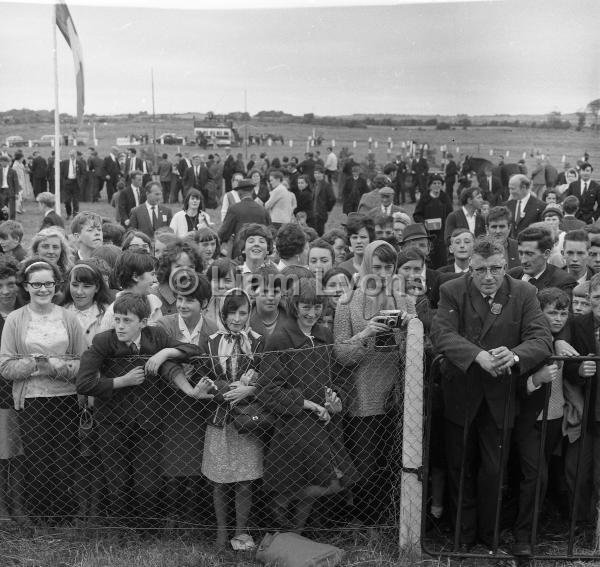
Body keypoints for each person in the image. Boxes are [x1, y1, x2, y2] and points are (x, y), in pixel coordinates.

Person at [431, 238, 552, 550]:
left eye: (496, 268)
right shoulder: (452, 290)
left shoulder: (524, 293)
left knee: (494, 472)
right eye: (481, 270)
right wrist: (477, 356)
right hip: (462, 394)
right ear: (470, 269)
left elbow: (541, 338)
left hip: (502, 396)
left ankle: (489, 537)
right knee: (461, 469)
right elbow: (442, 333)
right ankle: (462, 538)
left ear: (505, 264)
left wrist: (512, 356)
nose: (489, 276)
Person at [76, 293, 202, 526]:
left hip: (148, 422)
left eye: (127, 321)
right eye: (118, 320)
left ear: (143, 323)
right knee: (117, 480)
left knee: (148, 484)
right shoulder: (104, 341)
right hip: (112, 422)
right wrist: (120, 381)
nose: (120, 326)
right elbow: (83, 383)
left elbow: (193, 349)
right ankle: (120, 530)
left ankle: (145, 529)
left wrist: (165, 353)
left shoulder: (156, 336)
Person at [258, 277, 356, 533]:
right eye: (305, 307)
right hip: (295, 427)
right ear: (294, 305)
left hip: (327, 424)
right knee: (323, 480)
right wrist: (309, 404)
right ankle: (283, 502)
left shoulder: (324, 334)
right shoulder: (279, 338)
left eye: (317, 307)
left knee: (338, 481)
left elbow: (339, 377)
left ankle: (295, 532)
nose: (312, 313)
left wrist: (337, 401)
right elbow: (268, 390)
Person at [334, 241, 415, 527]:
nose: (382, 274)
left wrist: (407, 331)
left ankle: (390, 519)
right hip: (363, 393)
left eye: (388, 267)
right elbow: (341, 354)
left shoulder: (405, 299)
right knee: (365, 462)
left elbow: (416, 353)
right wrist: (367, 333)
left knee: (392, 459)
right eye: (376, 267)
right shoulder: (349, 301)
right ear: (366, 266)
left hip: (398, 392)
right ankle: (365, 520)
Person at [0, 259, 87, 523]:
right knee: (38, 459)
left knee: (65, 459)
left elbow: (83, 362)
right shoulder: (15, 320)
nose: (42, 289)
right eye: (36, 284)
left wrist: (55, 367)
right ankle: (40, 517)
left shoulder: (68, 318)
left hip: (66, 398)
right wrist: (32, 364)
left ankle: (64, 515)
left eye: (48, 283)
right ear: (26, 286)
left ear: (56, 285)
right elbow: (5, 366)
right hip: (32, 399)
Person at [195, 289, 264, 549]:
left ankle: (241, 533)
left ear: (249, 314)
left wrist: (250, 387)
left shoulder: (258, 342)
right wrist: (224, 388)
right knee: (219, 480)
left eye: (242, 312)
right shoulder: (210, 342)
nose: (237, 318)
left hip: (247, 420)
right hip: (220, 418)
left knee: (244, 480)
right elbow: (202, 376)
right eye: (231, 312)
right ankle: (222, 533)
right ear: (223, 314)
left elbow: (266, 375)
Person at [155, 273, 217, 527]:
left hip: (201, 406)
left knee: (197, 461)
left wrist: (171, 351)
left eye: (189, 300)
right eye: (179, 298)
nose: (182, 305)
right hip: (169, 405)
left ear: (203, 303)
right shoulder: (164, 325)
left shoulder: (213, 329)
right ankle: (171, 515)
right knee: (170, 461)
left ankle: (194, 517)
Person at [511, 288, 565, 556]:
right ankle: (523, 538)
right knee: (535, 476)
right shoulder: (531, 340)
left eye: (563, 313)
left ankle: (534, 528)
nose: (557, 318)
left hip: (555, 419)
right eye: (551, 312)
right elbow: (515, 382)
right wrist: (536, 379)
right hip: (530, 420)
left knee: (543, 476)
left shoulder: (564, 338)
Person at [562, 273, 600, 524]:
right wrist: (579, 370)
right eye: (598, 298)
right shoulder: (577, 325)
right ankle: (583, 527)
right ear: (590, 299)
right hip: (586, 409)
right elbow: (565, 363)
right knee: (576, 470)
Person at [0, 256, 28, 525]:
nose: (6, 291)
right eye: (0, 285)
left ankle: (18, 506)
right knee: (2, 456)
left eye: (10, 284)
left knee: (18, 456)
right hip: (1, 396)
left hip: (25, 392)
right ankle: (4, 510)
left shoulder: (25, 313)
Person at [509, 226, 577, 296]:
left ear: (546, 254)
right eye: (520, 253)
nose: (523, 261)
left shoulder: (563, 283)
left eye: (529, 254)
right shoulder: (511, 276)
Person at [100, 251, 161, 330]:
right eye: (152, 274)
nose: (155, 280)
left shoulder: (154, 302)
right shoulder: (113, 312)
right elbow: (104, 340)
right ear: (135, 276)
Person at [219, 180, 271, 258]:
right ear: (253, 191)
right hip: (259, 252)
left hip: (240, 253)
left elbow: (224, 232)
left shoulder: (234, 209)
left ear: (239, 193)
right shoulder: (263, 210)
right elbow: (269, 233)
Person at [152, 239, 204, 316]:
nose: (185, 273)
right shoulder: (153, 296)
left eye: (191, 267)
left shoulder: (202, 294)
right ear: (168, 269)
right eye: (178, 266)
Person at [413, 174, 453, 269]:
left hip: (441, 235)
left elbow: (450, 214)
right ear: (430, 185)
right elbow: (416, 215)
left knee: (442, 260)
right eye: (434, 183)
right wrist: (425, 223)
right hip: (428, 234)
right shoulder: (425, 197)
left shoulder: (445, 197)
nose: (437, 185)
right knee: (429, 259)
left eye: (439, 183)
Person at [503, 174, 546, 238]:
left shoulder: (541, 206)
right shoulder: (506, 206)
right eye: (509, 188)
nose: (510, 192)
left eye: (513, 189)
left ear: (524, 187)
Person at [486, 206, 520, 270]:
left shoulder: (518, 247)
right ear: (487, 228)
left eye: (502, 227)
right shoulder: (477, 249)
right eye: (494, 227)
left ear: (509, 227)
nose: (498, 231)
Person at [59, 149, 85, 219]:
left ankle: (75, 215)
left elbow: (83, 173)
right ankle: (68, 213)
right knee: (67, 201)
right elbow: (61, 173)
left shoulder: (80, 163)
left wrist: (81, 181)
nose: (72, 156)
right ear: (69, 155)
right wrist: (64, 181)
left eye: (74, 154)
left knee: (75, 201)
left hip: (76, 183)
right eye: (71, 154)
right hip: (67, 183)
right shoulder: (65, 163)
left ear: (76, 155)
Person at [312, 167, 336, 236]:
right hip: (313, 212)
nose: (316, 175)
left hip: (321, 213)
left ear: (322, 174)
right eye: (315, 173)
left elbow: (333, 199)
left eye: (318, 173)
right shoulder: (315, 184)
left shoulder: (326, 185)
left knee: (319, 232)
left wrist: (327, 209)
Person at [0, 154, 18, 220]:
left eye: (4, 161)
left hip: (10, 190)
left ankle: (12, 220)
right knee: (3, 206)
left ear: (8, 162)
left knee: (12, 206)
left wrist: (16, 193)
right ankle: (4, 219)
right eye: (1, 161)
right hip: (1, 190)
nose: (2, 163)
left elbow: (16, 183)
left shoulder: (13, 171)